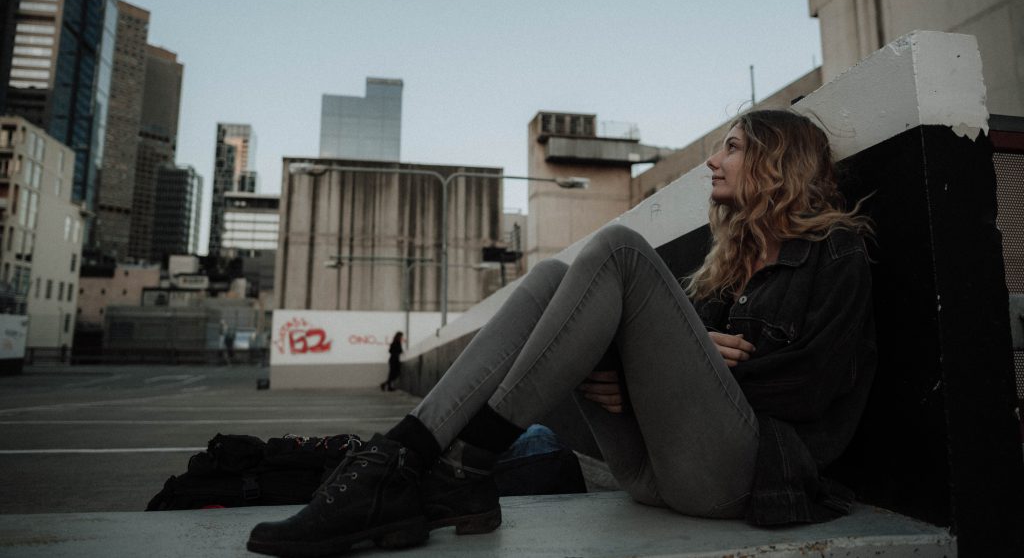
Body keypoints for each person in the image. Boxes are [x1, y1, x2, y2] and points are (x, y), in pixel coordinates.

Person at [247, 109, 875, 557]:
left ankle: (469, 464)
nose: (714, 159)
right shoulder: (727, 268)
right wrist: (670, 364)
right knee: (551, 275)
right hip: (654, 473)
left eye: (733, 146)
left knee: (619, 250)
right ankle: (405, 457)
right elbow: (667, 375)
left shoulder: (836, 249)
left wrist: (672, 369)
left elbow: (813, 387)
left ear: (778, 161)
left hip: (743, 480)